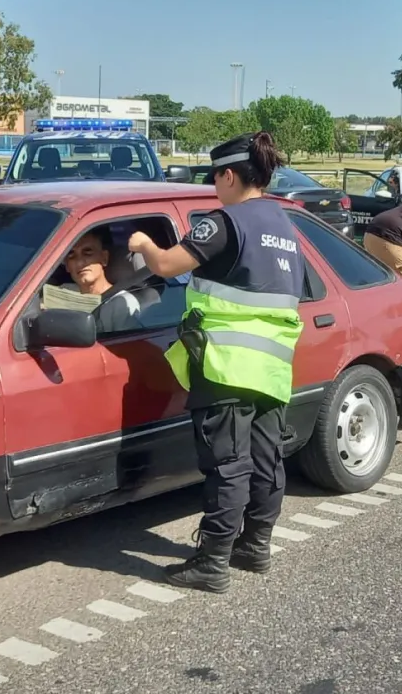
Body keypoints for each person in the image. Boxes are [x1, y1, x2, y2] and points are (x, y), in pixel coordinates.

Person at [127, 131, 304, 593]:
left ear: (229, 174)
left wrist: (144, 243)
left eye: (215, 178)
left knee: (227, 465)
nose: (214, 187)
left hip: (225, 365)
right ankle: (255, 546)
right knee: (266, 460)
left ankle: (212, 563)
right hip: (272, 368)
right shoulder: (286, 226)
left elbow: (166, 265)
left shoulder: (226, 221)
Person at [58, 228, 142, 333]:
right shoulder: (63, 291)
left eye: (87, 253)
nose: (80, 263)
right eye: (72, 255)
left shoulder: (121, 303)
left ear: (104, 258)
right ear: (67, 266)